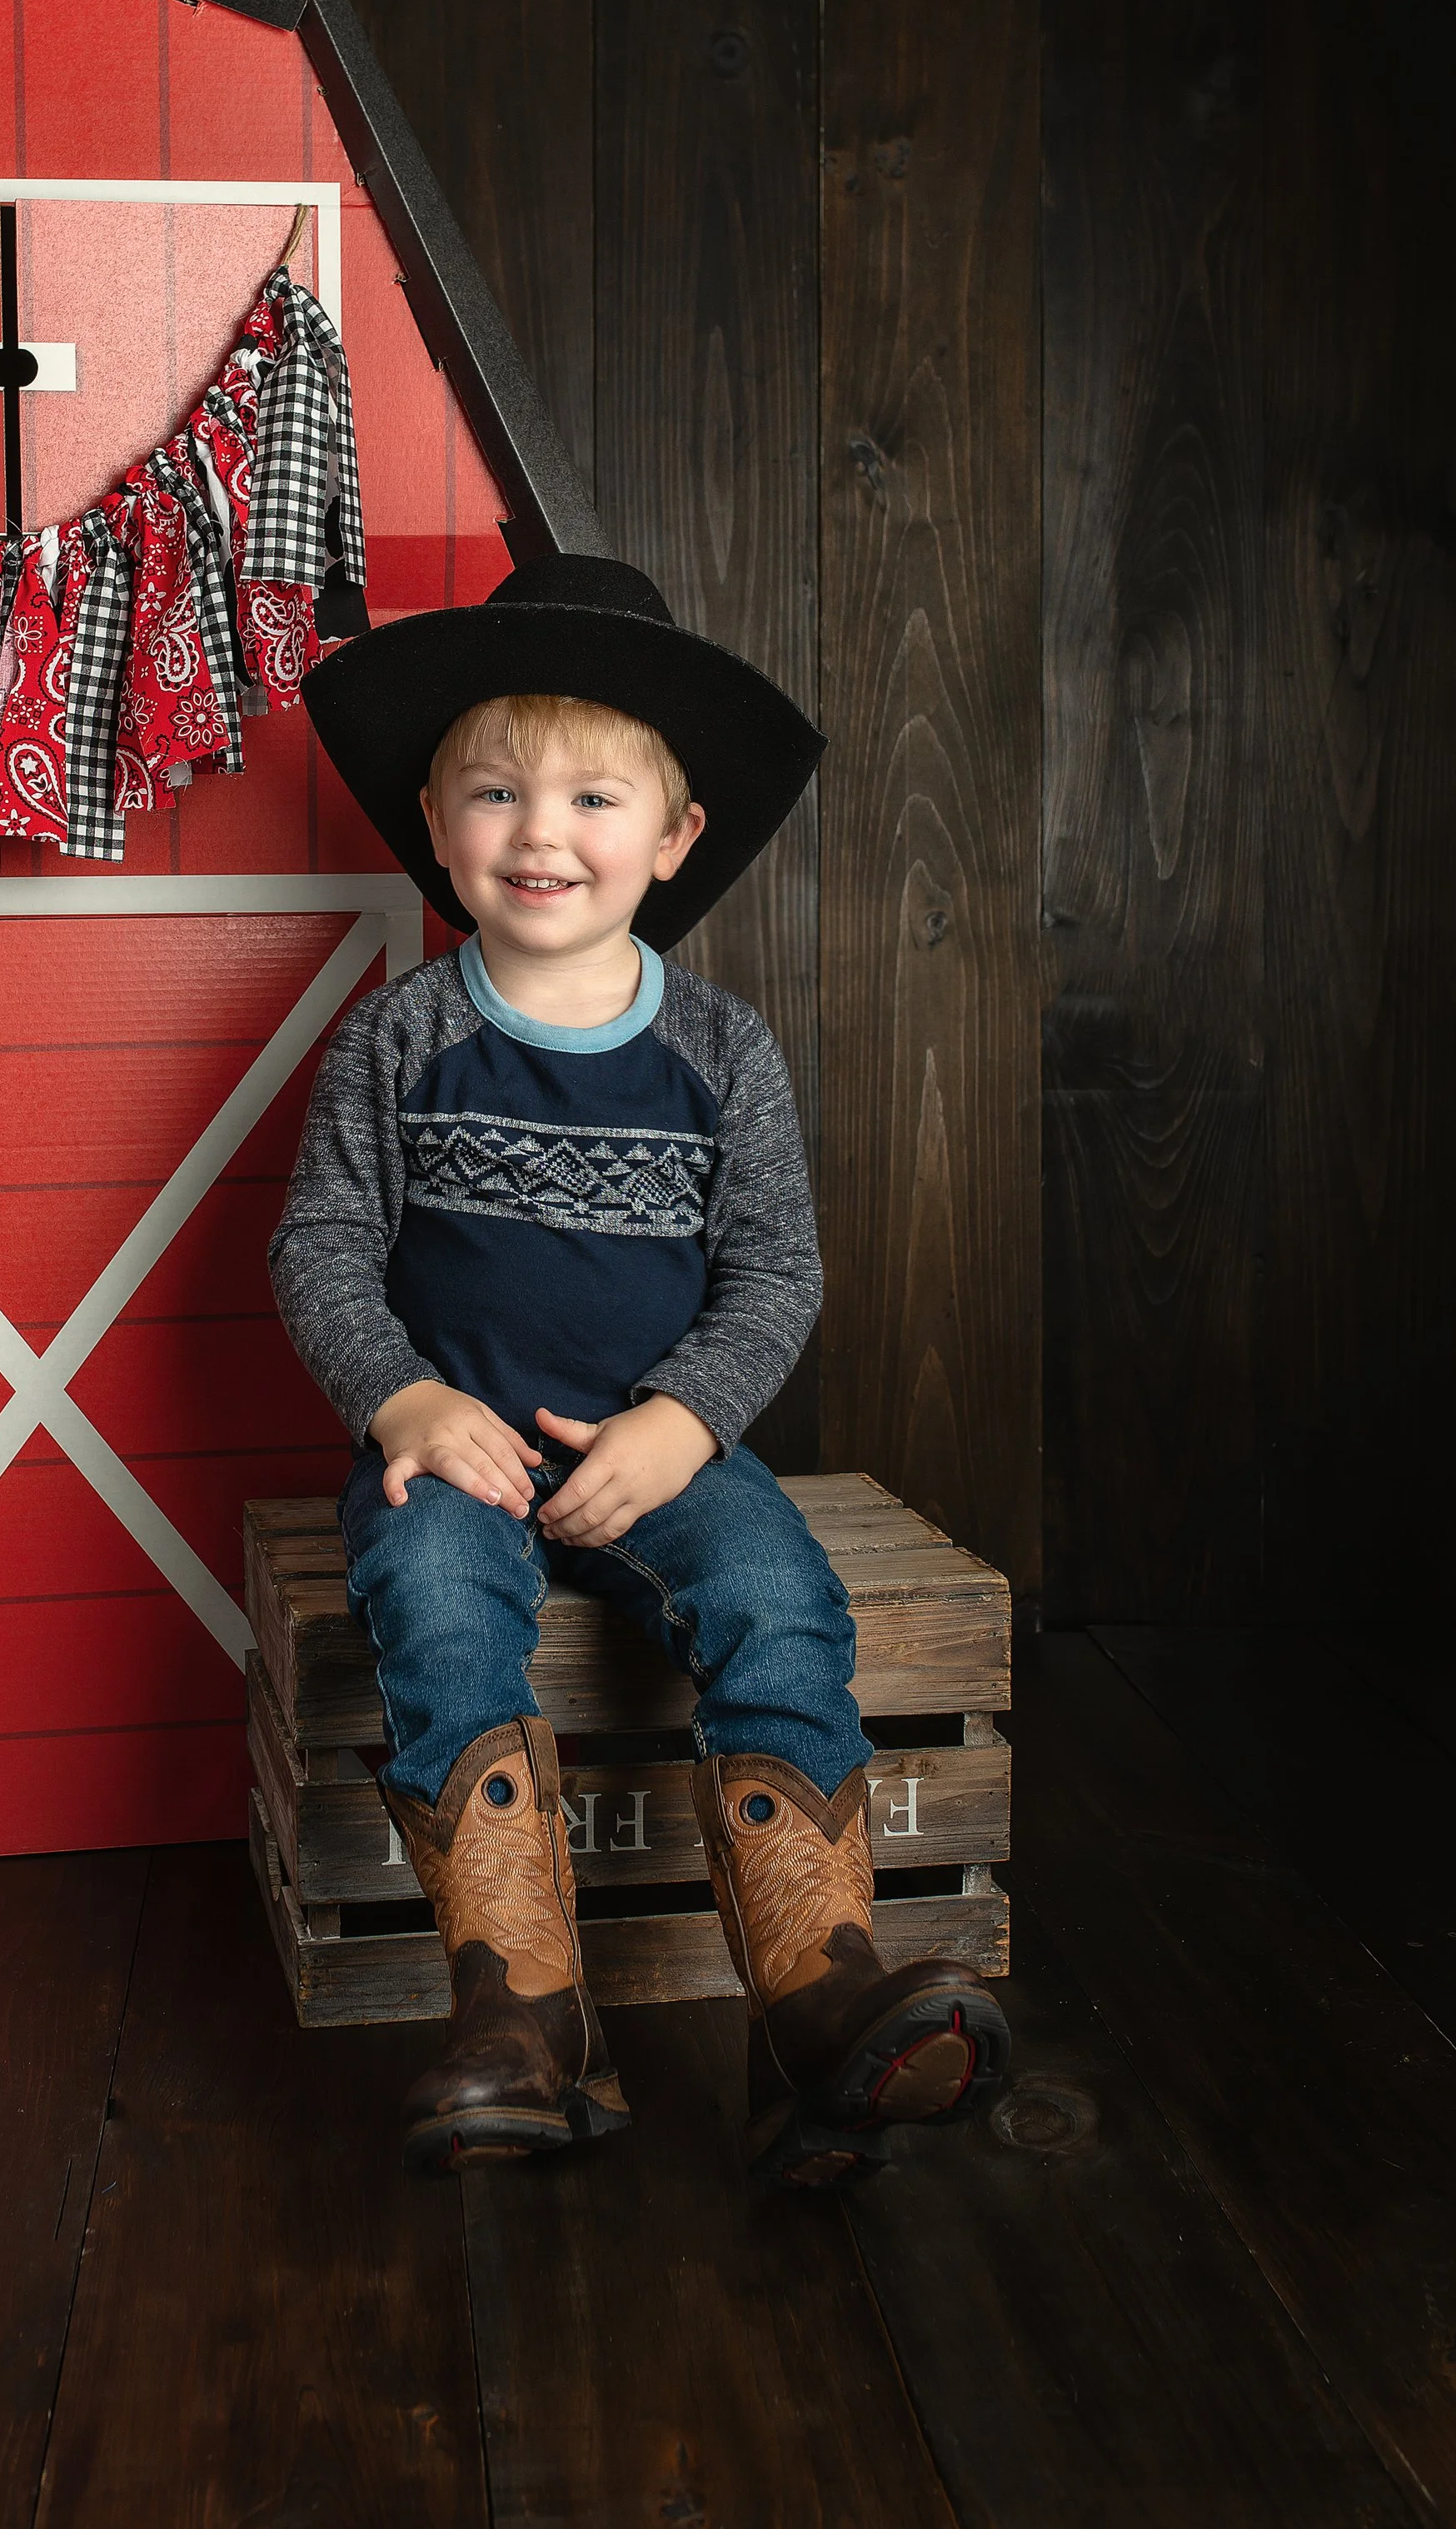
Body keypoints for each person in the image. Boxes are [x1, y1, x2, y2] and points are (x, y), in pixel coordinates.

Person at [269, 556, 1010, 2185]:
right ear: (436, 823)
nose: (540, 833)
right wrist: (401, 1402)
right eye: (493, 791)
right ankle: (521, 2015)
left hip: (657, 1450)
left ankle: (817, 2007)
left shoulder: (716, 1052)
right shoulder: (395, 1042)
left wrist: (682, 1427)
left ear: (671, 839)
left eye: (593, 796)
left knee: (776, 1597)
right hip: (459, 1452)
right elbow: (319, 1250)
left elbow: (771, 1275)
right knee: (438, 1607)